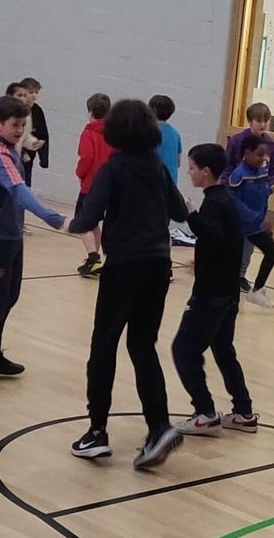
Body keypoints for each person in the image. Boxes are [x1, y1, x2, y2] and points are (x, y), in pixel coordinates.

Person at [68, 100, 191, 470]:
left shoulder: (113, 168)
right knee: (142, 345)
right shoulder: (156, 167)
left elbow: (87, 217)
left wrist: (65, 222)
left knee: (104, 345)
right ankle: (159, 427)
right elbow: (180, 212)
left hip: (124, 267)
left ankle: (97, 432)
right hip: (159, 267)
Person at [0, 95, 67, 389]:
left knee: (9, 297)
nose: (20, 131)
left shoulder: (10, 148)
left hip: (11, 234)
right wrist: (53, 218)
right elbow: (19, 190)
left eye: (23, 125)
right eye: (15, 125)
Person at [172, 143, 258, 438]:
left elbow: (213, 236)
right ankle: (244, 412)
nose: (190, 172)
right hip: (228, 292)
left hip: (211, 295)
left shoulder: (213, 204)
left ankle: (205, 413)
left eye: (192, 168)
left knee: (184, 350)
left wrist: (191, 215)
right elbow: (225, 244)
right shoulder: (227, 200)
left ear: (206, 171)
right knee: (223, 349)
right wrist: (200, 262)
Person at [227, 133, 274, 308]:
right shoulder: (238, 175)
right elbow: (236, 205)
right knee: (233, 262)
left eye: (264, 156)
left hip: (256, 225)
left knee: (272, 251)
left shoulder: (262, 172)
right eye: (259, 155)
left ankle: (257, 289)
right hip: (241, 226)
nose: (262, 159)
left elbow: (263, 196)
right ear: (247, 153)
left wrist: (263, 216)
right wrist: (257, 218)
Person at [74, 92, 112, 277]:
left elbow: (87, 157)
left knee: (82, 220)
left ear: (90, 112)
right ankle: (96, 260)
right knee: (94, 222)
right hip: (110, 184)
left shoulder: (88, 132)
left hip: (91, 184)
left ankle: (93, 258)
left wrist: (80, 172)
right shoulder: (115, 133)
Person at [149, 95, 188, 241]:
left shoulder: (149, 133)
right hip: (170, 189)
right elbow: (178, 162)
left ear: (153, 110)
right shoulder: (175, 134)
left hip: (151, 187)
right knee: (163, 228)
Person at [19, 77, 50, 187]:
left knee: (26, 182)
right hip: (15, 154)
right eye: (31, 92)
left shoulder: (37, 110)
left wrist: (44, 158)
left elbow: (43, 134)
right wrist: (21, 152)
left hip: (29, 156)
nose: (34, 95)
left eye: (36, 92)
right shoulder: (15, 110)